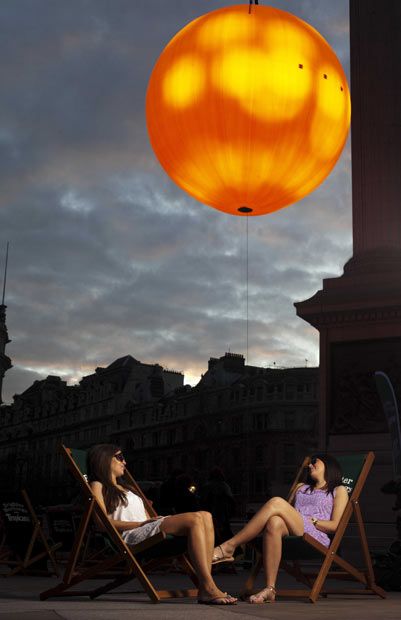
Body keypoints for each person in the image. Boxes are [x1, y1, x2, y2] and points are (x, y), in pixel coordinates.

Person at [87, 444, 237, 605]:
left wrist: (150, 519)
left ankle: (207, 585)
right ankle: (208, 586)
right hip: (132, 536)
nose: (125, 462)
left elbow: (146, 518)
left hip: (147, 528)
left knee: (206, 516)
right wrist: (141, 523)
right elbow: (102, 524)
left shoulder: (127, 487)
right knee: (195, 519)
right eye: (120, 457)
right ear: (105, 459)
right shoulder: (98, 485)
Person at [212, 453, 348, 604]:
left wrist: (313, 521)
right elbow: (283, 512)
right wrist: (295, 518)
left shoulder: (339, 490)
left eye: (315, 462)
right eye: (309, 463)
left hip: (316, 536)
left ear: (328, 465)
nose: (309, 465)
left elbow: (335, 526)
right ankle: (270, 588)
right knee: (274, 522)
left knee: (276, 501)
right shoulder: (300, 487)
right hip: (295, 528)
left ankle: (230, 546)